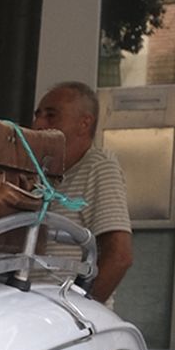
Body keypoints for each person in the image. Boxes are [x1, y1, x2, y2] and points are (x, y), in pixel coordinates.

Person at [32, 82, 133, 304]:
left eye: (51, 116)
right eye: (37, 115)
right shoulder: (40, 174)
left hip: (65, 316)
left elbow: (119, 256)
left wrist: (80, 309)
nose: (38, 124)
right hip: (31, 312)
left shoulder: (98, 166)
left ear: (84, 123)